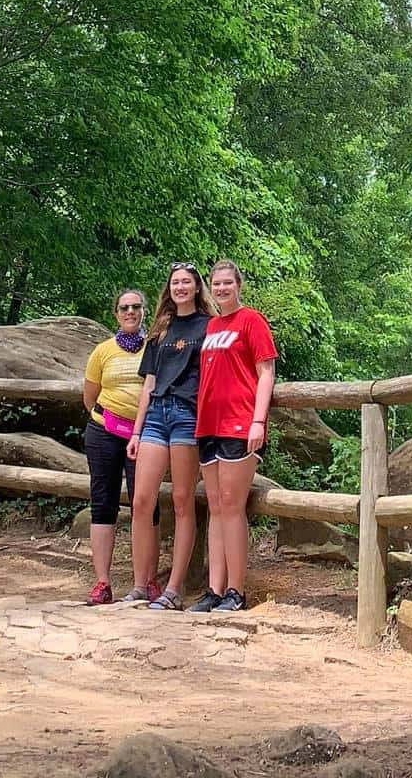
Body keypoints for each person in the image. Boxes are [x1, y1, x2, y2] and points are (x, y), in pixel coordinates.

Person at [190, 258, 276, 615]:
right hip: (208, 424)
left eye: (228, 282)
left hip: (240, 424)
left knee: (231, 505)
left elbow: (266, 371)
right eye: (216, 283)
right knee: (215, 507)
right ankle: (214, 588)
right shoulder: (211, 326)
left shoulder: (251, 320)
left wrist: (258, 421)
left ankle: (236, 591)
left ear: (238, 285)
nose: (222, 288)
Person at [123, 262, 210, 609]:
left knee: (182, 501)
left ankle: (174, 589)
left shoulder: (208, 327)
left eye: (186, 282)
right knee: (142, 500)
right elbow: (149, 382)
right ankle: (141, 584)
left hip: (187, 415)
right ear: (169, 288)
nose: (180, 287)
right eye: (175, 282)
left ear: (196, 287)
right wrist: (137, 430)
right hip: (157, 414)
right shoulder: (161, 327)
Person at [81, 288, 150, 605]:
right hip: (104, 431)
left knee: (146, 505)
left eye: (136, 307)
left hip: (146, 433)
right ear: (116, 313)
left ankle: (145, 581)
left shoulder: (155, 347)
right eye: (124, 307)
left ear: (144, 311)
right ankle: (103, 582)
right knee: (103, 501)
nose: (130, 312)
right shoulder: (102, 351)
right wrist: (110, 420)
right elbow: (89, 396)